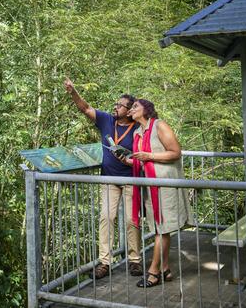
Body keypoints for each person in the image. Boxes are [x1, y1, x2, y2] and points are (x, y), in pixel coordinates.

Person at [63, 77, 143, 278]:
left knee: (132, 220)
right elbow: (85, 108)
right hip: (108, 179)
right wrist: (73, 91)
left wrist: (130, 160)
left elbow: (144, 153)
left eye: (120, 105)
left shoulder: (137, 128)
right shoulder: (107, 120)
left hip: (131, 179)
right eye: (115, 104)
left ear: (129, 110)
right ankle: (105, 263)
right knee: (106, 217)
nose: (115, 107)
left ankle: (135, 260)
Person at [125, 99, 192, 288]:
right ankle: (165, 269)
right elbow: (144, 160)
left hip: (165, 185)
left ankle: (153, 272)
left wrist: (149, 156)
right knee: (157, 228)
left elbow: (175, 152)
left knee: (162, 228)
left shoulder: (159, 125)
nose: (132, 109)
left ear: (147, 109)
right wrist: (129, 160)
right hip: (150, 185)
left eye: (135, 106)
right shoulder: (138, 132)